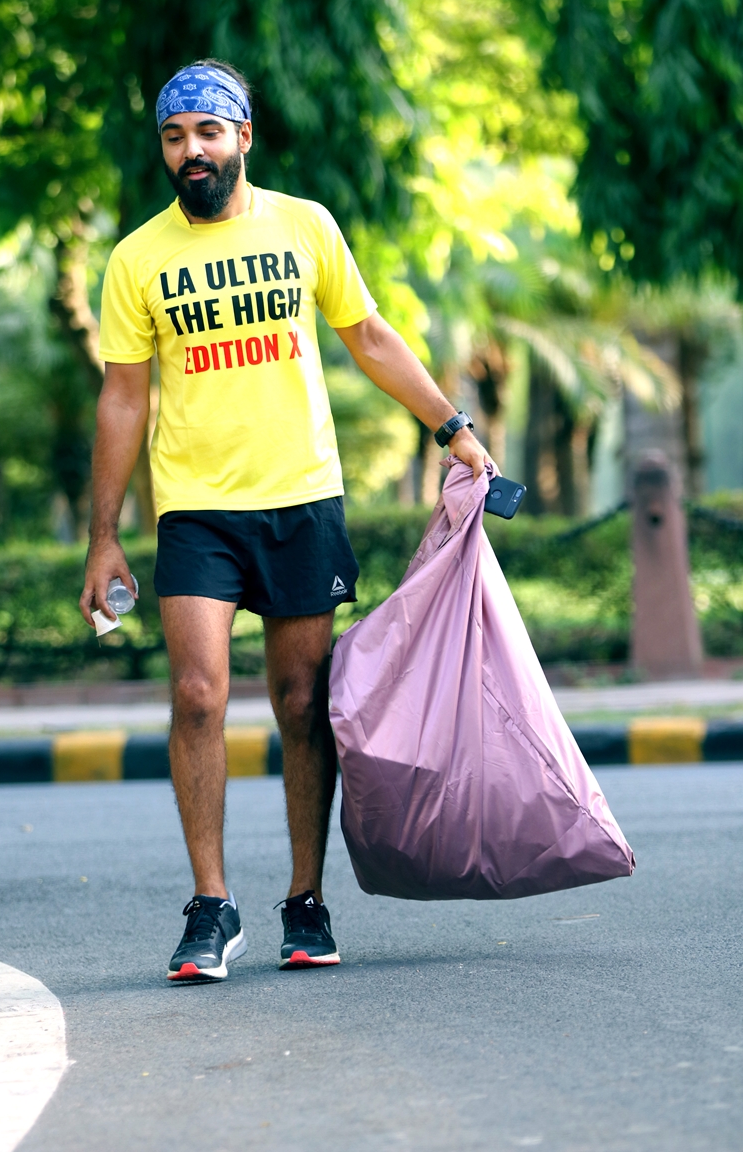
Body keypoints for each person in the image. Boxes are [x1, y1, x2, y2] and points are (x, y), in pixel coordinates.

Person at [80, 60, 487, 983]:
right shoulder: (137, 257)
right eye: (175, 136)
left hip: (302, 497)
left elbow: (371, 336)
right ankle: (210, 908)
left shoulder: (305, 226)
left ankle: (304, 900)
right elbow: (122, 400)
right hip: (198, 510)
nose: (191, 150)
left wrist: (452, 428)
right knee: (198, 695)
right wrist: (104, 535)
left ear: (243, 138)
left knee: (303, 705)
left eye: (208, 132)